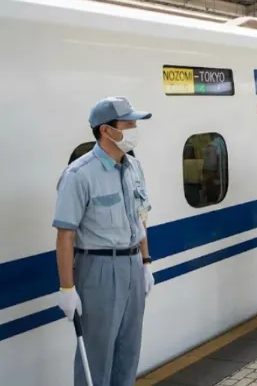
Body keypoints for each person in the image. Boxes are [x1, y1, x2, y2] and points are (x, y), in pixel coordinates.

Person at [54, 96, 154, 386]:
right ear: (106, 130)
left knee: (129, 348)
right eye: (129, 123)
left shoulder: (135, 168)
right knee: (96, 354)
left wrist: (146, 261)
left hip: (133, 265)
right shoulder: (79, 175)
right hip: (98, 269)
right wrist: (67, 287)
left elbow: (141, 217)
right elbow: (65, 235)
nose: (135, 128)